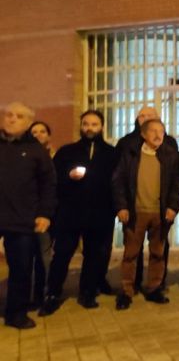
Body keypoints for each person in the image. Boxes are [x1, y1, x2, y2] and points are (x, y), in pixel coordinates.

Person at [42, 110, 116, 313]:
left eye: (94, 124)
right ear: (81, 126)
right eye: (86, 124)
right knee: (62, 255)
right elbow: (54, 181)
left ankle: (87, 292)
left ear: (102, 126)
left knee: (93, 255)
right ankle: (53, 293)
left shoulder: (111, 153)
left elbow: (116, 183)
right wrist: (69, 177)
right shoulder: (67, 151)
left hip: (99, 213)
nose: (89, 128)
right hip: (70, 213)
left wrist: (114, 210)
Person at [112, 119, 179, 309]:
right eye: (153, 131)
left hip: (160, 214)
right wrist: (121, 207)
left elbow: (177, 185)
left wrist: (173, 207)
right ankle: (126, 291)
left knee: (158, 253)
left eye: (161, 130)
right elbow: (117, 182)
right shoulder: (131, 155)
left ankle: (153, 288)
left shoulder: (170, 156)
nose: (158, 135)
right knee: (130, 254)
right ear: (143, 134)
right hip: (135, 213)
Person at [0, 102, 56, 329]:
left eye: (19, 116)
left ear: (28, 122)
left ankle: (16, 313)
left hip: (22, 220)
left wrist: (45, 214)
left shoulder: (36, 151)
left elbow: (49, 186)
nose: (12, 119)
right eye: (9, 115)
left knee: (21, 270)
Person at [28, 120, 55, 308]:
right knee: (26, 255)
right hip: (25, 213)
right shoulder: (23, 156)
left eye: (42, 131)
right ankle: (30, 294)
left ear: (48, 135)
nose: (38, 134)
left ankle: (44, 293)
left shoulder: (56, 156)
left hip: (48, 213)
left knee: (44, 254)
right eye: (34, 131)